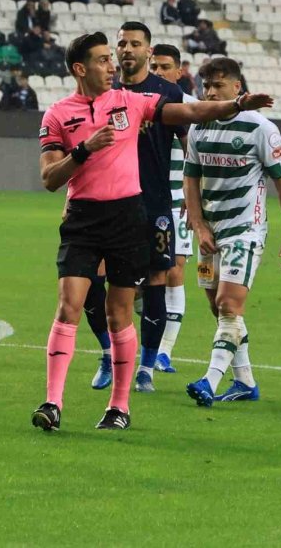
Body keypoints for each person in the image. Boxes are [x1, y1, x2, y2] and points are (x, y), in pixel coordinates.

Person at [32, 32, 273, 431]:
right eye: (102, 60)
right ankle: (52, 402)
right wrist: (84, 150)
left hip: (128, 218)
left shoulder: (131, 101)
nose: (112, 66)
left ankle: (119, 407)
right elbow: (49, 178)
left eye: (112, 58)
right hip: (82, 218)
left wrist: (235, 105)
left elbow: (190, 113)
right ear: (80, 69)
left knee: (119, 313)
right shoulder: (58, 114)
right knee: (68, 305)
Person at [183, 57, 281, 406]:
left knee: (228, 303)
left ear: (237, 87)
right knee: (217, 308)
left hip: (244, 230)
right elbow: (191, 176)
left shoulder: (261, 127)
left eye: (219, 85)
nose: (211, 92)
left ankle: (209, 381)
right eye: (207, 87)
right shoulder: (199, 126)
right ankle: (245, 381)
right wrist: (198, 223)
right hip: (208, 235)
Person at [89, 23, 190, 394]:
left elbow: (189, 141)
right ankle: (106, 353)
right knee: (94, 280)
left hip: (155, 203)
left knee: (156, 282)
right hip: (110, 203)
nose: (127, 49)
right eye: (122, 44)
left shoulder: (168, 92)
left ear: (149, 51)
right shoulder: (105, 91)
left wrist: (192, 197)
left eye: (135, 43)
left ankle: (146, 367)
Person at [149, 43, 197, 373]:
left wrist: (197, 203)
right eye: (154, 66)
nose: (159, 72)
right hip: (141, 200)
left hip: (178, 203)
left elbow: (198, 157)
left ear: (179, 71)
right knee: (140, 279)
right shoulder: (140, 103)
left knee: (174, 270)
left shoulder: (190, 108)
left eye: (166, 67)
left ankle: (164, 350)